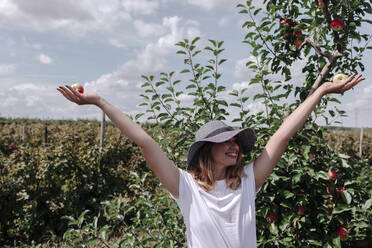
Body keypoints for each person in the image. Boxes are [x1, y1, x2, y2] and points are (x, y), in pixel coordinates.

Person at [57, 74, 364, 248]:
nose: (234, 147)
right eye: (226, 141)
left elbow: (281, 137)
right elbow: (145, 141)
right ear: (206, 148)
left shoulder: (247, 182)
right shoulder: (185, 186)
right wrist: (99, 101)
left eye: (236, 142)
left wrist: (321, 91)